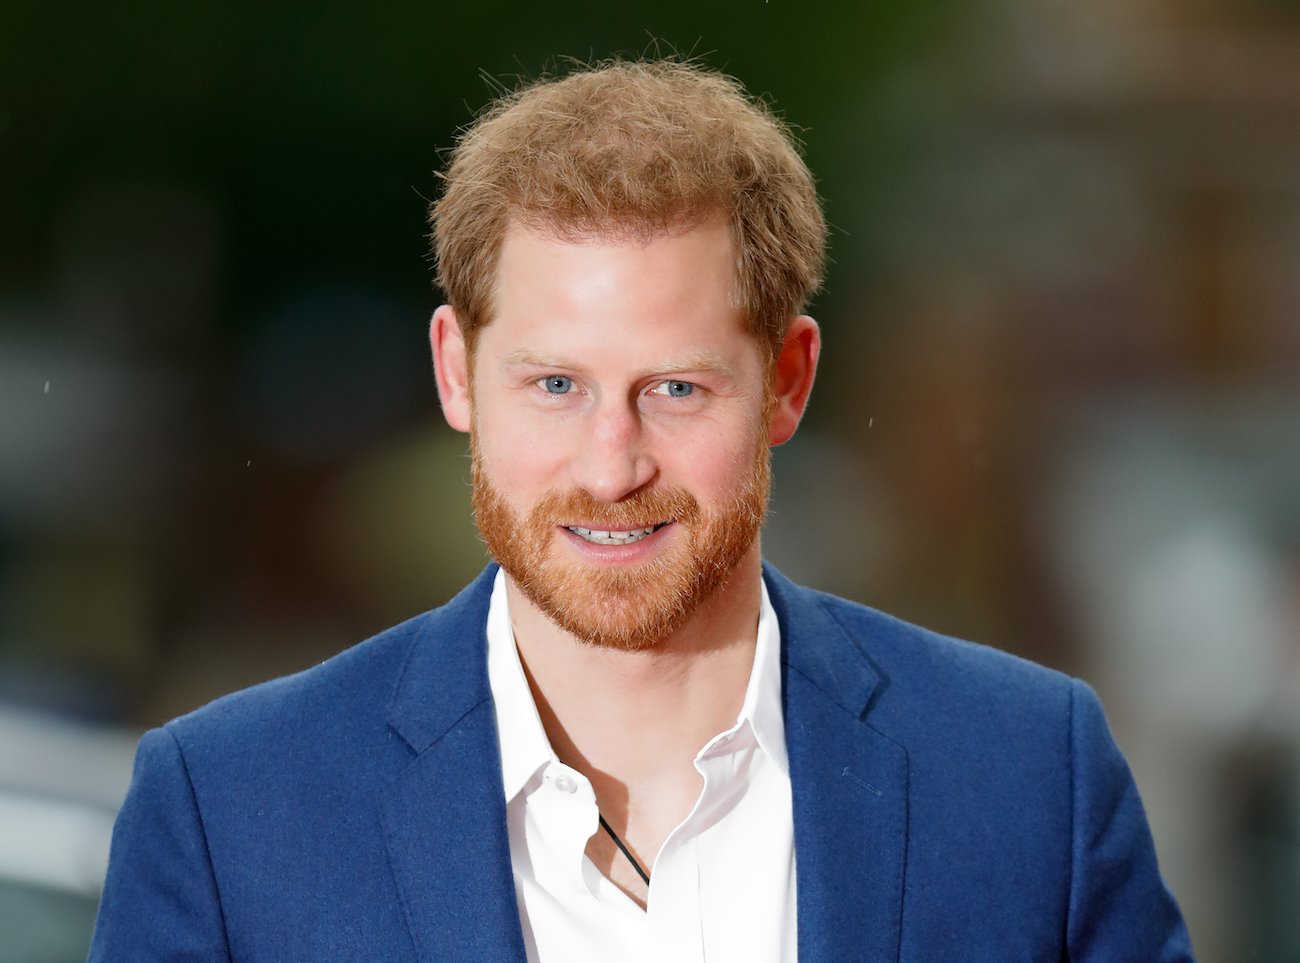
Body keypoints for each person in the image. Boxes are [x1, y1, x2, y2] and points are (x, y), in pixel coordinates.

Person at [89, 59, 1194, 962]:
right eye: (554, 385)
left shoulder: (1024, 775)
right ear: (457, 374)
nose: (611, 465)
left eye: (675, 387)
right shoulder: (229, 814)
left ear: (788, 382)